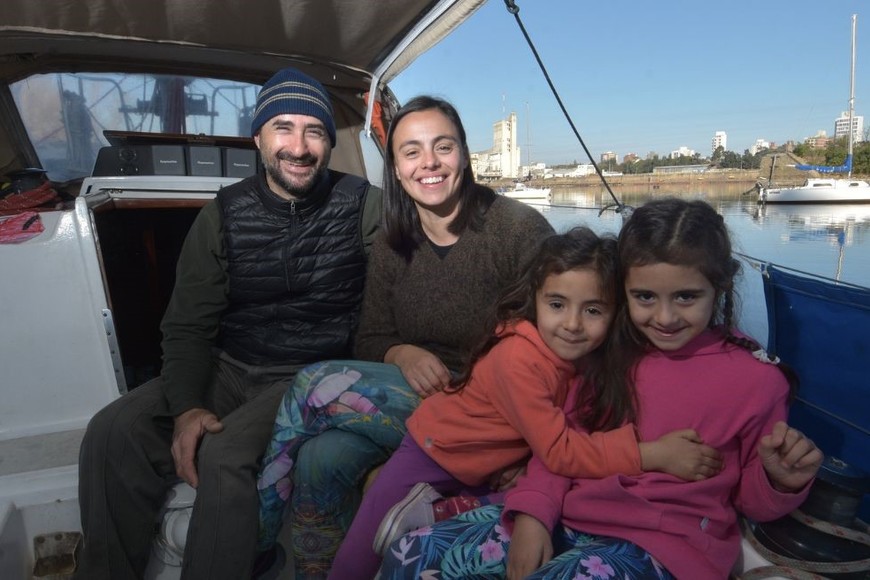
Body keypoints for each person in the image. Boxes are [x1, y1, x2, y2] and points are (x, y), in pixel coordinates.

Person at [377, 197, 824, 580]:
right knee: (410, 556)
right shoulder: (611, 353)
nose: (665, 318)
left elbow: (750, 501)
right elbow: (562, 450)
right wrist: (532, 514)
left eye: (686, 297)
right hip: (572, 516)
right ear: (624, 292)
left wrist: (780, 481)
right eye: (645, 297)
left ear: (719, 286)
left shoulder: (757, 381)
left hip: (667, 544)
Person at [74, 67, 383, 580]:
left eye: (314, 131)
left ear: (329, 141)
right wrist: (188, 405)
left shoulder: (363, 205)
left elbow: (403, 285)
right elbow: (187, 326)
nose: (299, 147)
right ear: (258, 137)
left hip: (308, 375)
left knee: (225, 455)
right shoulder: (223, 213)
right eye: (283, 127)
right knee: (113, 430)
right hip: (231, 366)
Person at [255, 95, 556, 578]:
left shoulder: (517, 232)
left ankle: (259, 542)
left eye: (443, 146)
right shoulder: (397, 242)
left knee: (311, 385)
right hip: (416, 397)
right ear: (395, 169)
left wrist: (530, 450)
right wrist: (402, 351)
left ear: (464, 155)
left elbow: (560, 355)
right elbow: (371, 336)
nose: (429, 163)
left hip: (494, 408)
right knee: (319, 457)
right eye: (411, 152)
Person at [328, 226, 724, 579]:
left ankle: (442, 510)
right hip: (436, 450)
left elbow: (552, 437)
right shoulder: (519, 359)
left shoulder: (589, 359)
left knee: (515, 499)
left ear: (615, 312)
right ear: (534, 300)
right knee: (362, 548)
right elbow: (559, 449)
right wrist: (652, 455)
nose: (572, 324)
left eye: (592, 310)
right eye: (557, 305)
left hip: (491, 461)